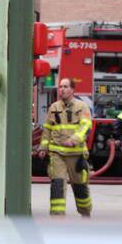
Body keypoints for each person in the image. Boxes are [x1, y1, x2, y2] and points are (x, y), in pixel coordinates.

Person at [37, 78, 93, 217]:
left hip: (77, 154)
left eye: (65, 86)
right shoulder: (54, 107)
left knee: (80, 186)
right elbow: (48, 129)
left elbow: (86, 126)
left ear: (72, 89)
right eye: (60, 86)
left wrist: (74, 140)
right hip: (57, 153)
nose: (62, 89)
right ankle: (57, 215)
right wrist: (43, 147)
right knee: (57, 184)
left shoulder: (82, 106)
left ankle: (85, 213)